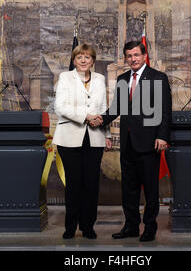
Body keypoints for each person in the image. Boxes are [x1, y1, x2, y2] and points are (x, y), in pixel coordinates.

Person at [91, 40, 172, 242]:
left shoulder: (158, 77)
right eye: (129, 56)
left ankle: (150, 228)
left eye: (136, 55)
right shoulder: (122, 79)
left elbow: (165, 110)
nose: (132, 59)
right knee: (129, 189)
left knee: (151, 189)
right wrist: (101, 119)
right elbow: (116, 108)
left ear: (144, 55)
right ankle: (131, 226)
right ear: (126, 58)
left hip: (149, 142)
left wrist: (162, 136)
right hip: (127, 144)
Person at [52, 43, 112, 239]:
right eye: (80, 57)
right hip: (69, 138)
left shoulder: (100, 79)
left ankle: (88, 226)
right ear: (74, 60)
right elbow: (60, 106)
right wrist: (86, 116)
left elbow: (103, 107)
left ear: (93, 60)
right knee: (73, 184)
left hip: (95, 138)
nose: (84, 60)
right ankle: (70, 226)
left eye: (87, 57)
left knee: (91, 184)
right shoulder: (65, 78)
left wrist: (108, 134)